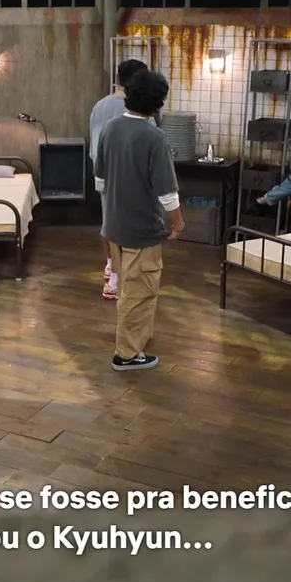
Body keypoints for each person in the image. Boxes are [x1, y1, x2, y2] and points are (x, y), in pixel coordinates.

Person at [94, 70, 182, 372]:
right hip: (141, 230)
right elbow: (167, 194)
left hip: (114, 227)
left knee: (128, 289)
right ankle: (127, 354)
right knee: (139, 293)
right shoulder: (154, 137)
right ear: (157, 103)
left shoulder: (110, 127)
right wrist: (178, 223)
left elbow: (100, 180)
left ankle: (133, 340)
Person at [90, 59, 151, 301]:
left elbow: (95, 147)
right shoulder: (140, 109)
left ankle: (110, 266)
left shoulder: (100, 106)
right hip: (132, 179)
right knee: (132, 229)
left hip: (104, 175)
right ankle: (118, 278)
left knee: (109, 224)